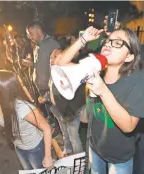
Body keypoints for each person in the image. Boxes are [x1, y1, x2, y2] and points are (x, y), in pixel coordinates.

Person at [51, 25, 144, 174]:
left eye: (117, 42)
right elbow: (60, 64)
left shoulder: (137, 81)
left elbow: (129, 126)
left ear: (129, 56)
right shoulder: (95, 70)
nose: (108, 44)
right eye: (108, 40)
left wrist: (103, 91)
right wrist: (83, 40)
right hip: (95, 148)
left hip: (119, 157)